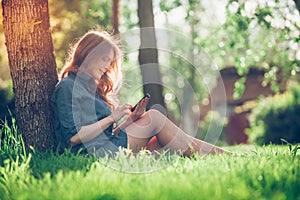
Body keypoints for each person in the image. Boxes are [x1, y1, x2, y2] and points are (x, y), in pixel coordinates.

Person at [51, 30, 231, 158]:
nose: (107, 67)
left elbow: (104, 133)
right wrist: (112, 117)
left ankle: (222, 157)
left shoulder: (90, 89)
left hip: (108, 145)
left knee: (164, 144)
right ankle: (226, 157)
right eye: (104, 59)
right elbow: (72, 138)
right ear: (88, 54)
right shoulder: (68, 87)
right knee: (154, 118)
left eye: (110, 62)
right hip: (94, 154)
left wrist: (130, 120)